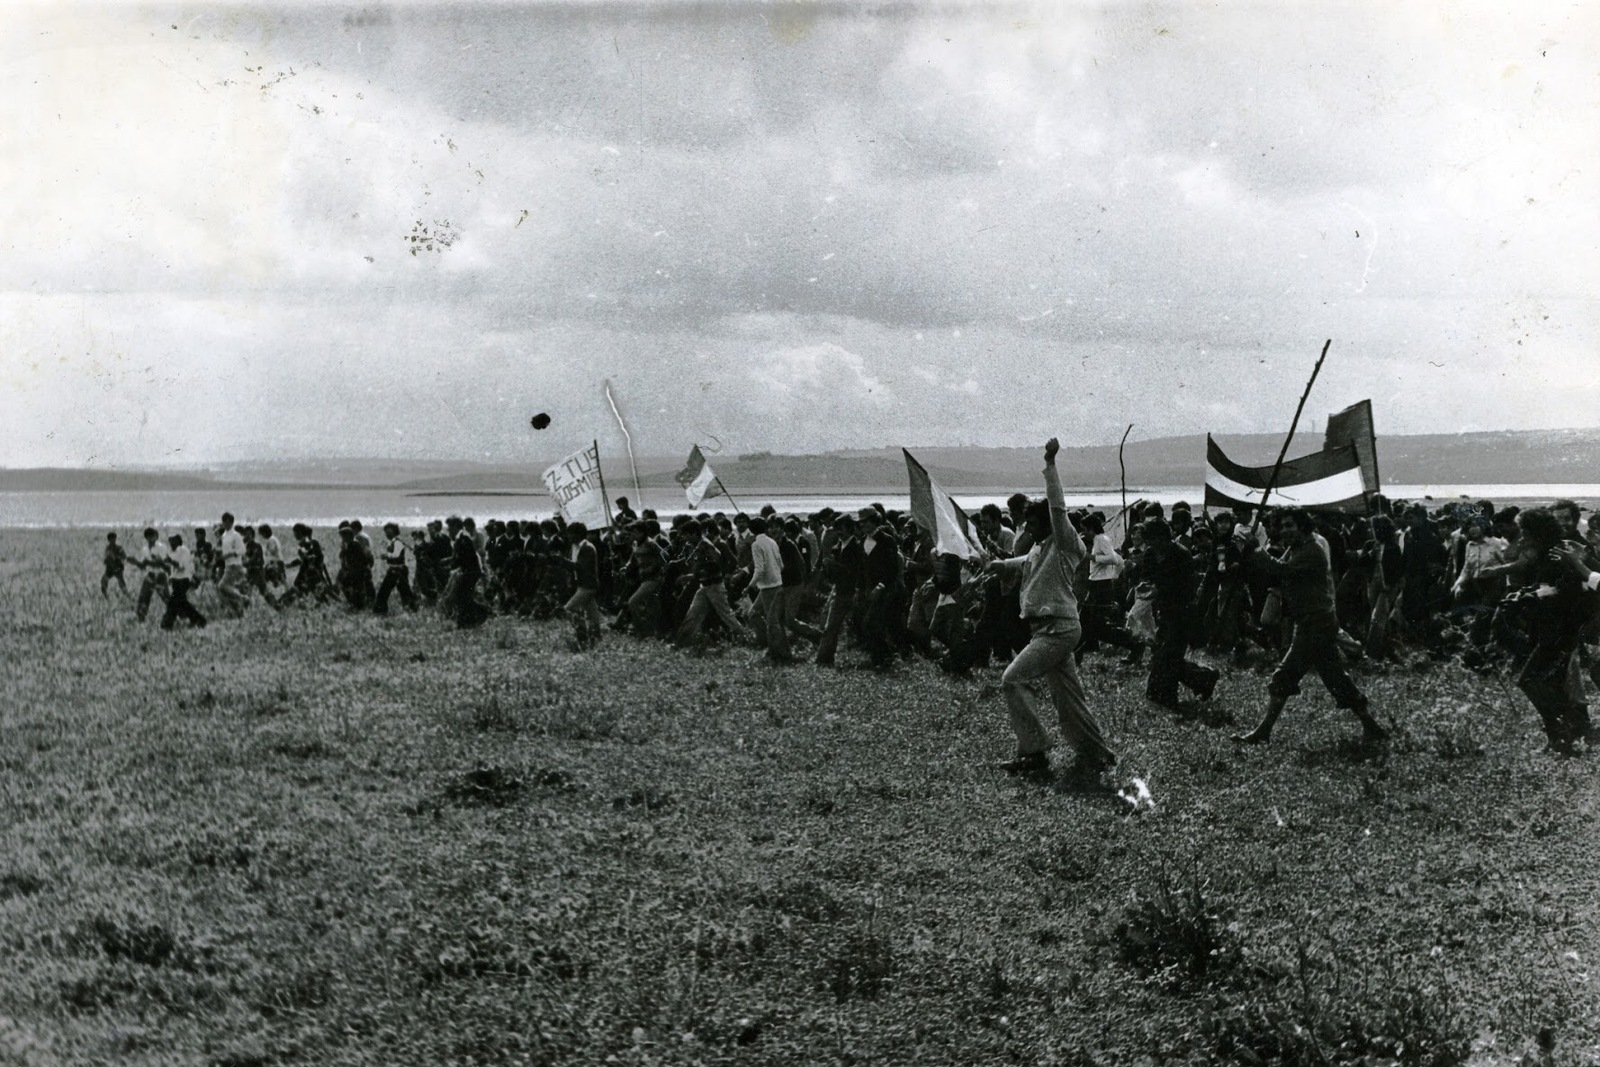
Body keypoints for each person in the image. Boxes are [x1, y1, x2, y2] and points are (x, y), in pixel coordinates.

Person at [983, 438, 1117, 784]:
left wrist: (1051, 465)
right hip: (1050, 629)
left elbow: (1057, 509)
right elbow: (1024, 560)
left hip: (1058, 629)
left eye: (1031, 523)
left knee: (1012, 679)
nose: (1026, 528)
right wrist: (1000, 564)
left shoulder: (1065, 542)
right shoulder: (1042, 547)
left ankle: (1034, 753)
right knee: (1068, 696)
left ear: (1048, 524)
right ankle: (1097, 753)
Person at [1231, 509, 1387, 746]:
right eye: (1282, 526)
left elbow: (1280, 570)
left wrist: (1255, 549)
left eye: (1290, 525)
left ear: (1302, 526)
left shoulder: (1312, 551)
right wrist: (1252, 553)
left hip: (1315, 624)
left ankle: (1262, 732)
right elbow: (1274, 569)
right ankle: (1372, 726)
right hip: (1313, 622)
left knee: (1284, 676)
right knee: (1336, 678)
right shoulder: (1297, 549)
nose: (1285, 530)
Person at [1133, 517, 1219, 711]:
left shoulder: (1182, 554)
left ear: (1165, 538)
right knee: (1161, 653)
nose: (1153, 546)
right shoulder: (1149, 554)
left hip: (1183, 611)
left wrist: (1160, 590)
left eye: (1156, 541)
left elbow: (1186, 587)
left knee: (1169, 654)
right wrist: (1145, 586)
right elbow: (1146, 576)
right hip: (1162, 610)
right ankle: (1204, 678)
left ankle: (1166, 699)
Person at [747, 517, 792, 663]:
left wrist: (750, 585)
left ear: (751, 530)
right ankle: (770, 645)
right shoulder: (772, 541)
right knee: (753, 613)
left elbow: (759, 569)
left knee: (772, 621)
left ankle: (778, 654)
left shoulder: (756, 544)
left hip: (768, 587)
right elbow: (781, 565)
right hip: (774, 584)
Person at [565, 522, 603, 648]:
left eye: (570, 534)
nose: (568, 536)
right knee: (592, 613)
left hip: (588, 585)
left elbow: (580, 567)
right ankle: (596, 637)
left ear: (578, 534)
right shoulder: (574, 547)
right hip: (581, 584)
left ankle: (582, 635)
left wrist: (561, 561)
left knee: (569, 609)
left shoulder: (588, 548)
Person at [160, 533, 207, 630]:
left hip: (184, 580)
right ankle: (199, 620)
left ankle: (167, 625)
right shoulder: (172, 552)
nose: (171, 542)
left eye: (173, 540)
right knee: (182, 603)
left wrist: (170, 561)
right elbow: (172, 569)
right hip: (176, 580)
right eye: (170, 540)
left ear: (178, 540)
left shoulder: (184, 550)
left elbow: (181, 566)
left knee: (173, 603)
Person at [374, 522, 420, 614]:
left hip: (397, 570)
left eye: (389, 532)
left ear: (394, 531)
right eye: (386, 532)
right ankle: (413, 609)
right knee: (405, 592)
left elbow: (396, 555)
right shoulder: (396, 541)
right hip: (398, 570)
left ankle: (380, 611)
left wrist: (386, 555)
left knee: (384, 591)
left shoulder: (397, 542)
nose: (387, 534)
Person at [132, 527, 170, 622]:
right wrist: (135, 562)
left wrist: (147, 562)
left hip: (160, 575)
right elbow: (143, 565)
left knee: (166, 598)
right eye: (148, 536)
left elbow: (160, 562)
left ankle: (176, 615)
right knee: (144, 597)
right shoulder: (145, 549)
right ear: (146, 537)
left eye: (152, 536)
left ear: (156, 536)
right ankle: (141, 618)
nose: (150, 538)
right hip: (150, 575)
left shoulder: (161, 547)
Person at [216, 512, 249, 617]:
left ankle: (242, 598)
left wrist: (232, 554)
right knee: (225, 588)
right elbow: (224, 550)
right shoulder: (224, 535)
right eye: (223, 521)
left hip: (235, 565)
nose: (224, 524)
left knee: (222, 586)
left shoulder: (236, 535)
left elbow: (242, 549)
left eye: (226, 522)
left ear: (231, 522)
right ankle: (237, 610)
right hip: (228, 565)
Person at [101, 532, 129, 598]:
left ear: (115, 539)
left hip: (117, 568)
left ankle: (127, 596)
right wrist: (106, 560)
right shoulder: (107, 548)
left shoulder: (119, 548)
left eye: (114, 539)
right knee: (103, 581)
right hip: (109, 568)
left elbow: (124, 557)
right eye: (111, 539)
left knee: (121, 583)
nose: (112, 540)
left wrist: (117, 558)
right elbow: (105, 557)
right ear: (109, 540)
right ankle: (105, 596)